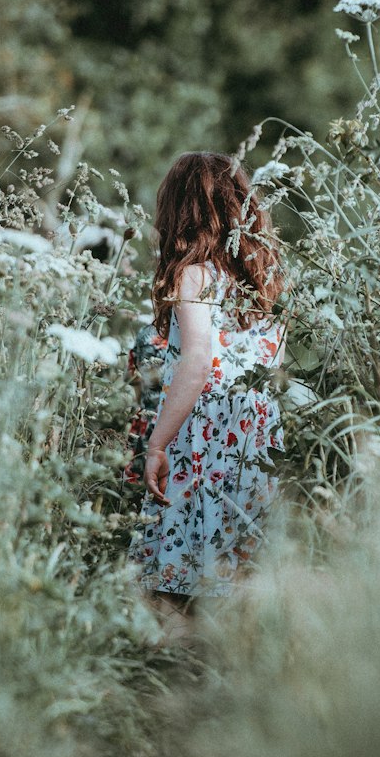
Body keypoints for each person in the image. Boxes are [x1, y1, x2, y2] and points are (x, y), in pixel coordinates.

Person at [126, 151, 286, 639]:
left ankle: (175, 679)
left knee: (164, 582)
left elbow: (197, 363)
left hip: (206, 432)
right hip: (256, 433)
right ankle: (231, 679)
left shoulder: (193, 274)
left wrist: (156, 444)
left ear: (179, 209)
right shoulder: (267, 276)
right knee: (238, 572)